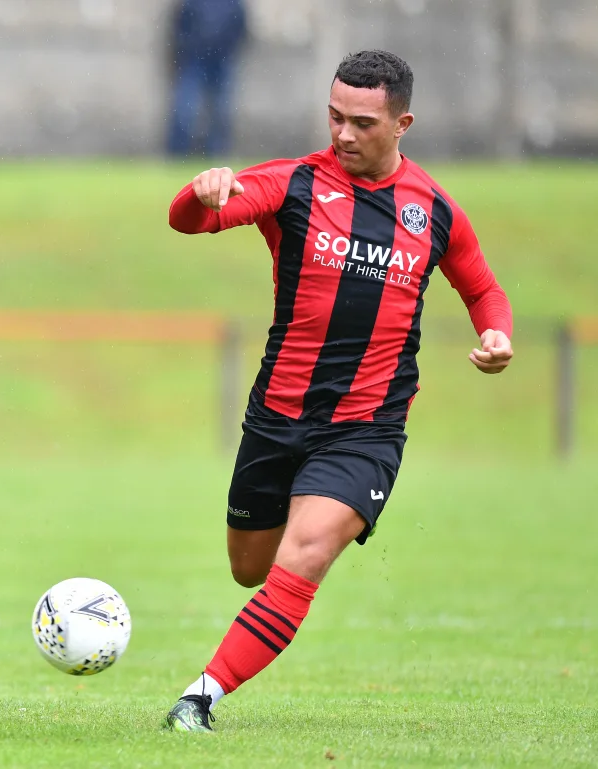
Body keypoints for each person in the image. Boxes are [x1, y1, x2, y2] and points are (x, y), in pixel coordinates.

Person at [162, 50, 513, 731]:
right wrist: (197, 191)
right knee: (249, 566)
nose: (343, 134)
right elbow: (188, 221)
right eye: (333, 117)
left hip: (367, 426)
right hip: (278, 413)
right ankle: (235, 647)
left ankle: (198, 698)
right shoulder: (293, 184)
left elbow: (483, 287)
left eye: (360, 122)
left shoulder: (434, 211)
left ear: (401, 123)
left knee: (308, 550)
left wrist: (496, 334)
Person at [167, 0, 248, 157]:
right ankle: (178, 153)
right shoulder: (193, 3)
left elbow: (240, 28)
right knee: (185, 109)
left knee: (221, 110)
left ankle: (216, 152)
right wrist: (187, 47)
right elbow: (180, 26)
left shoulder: (233, 4)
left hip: (221, 60)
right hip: (194, 59)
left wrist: (226, 48)